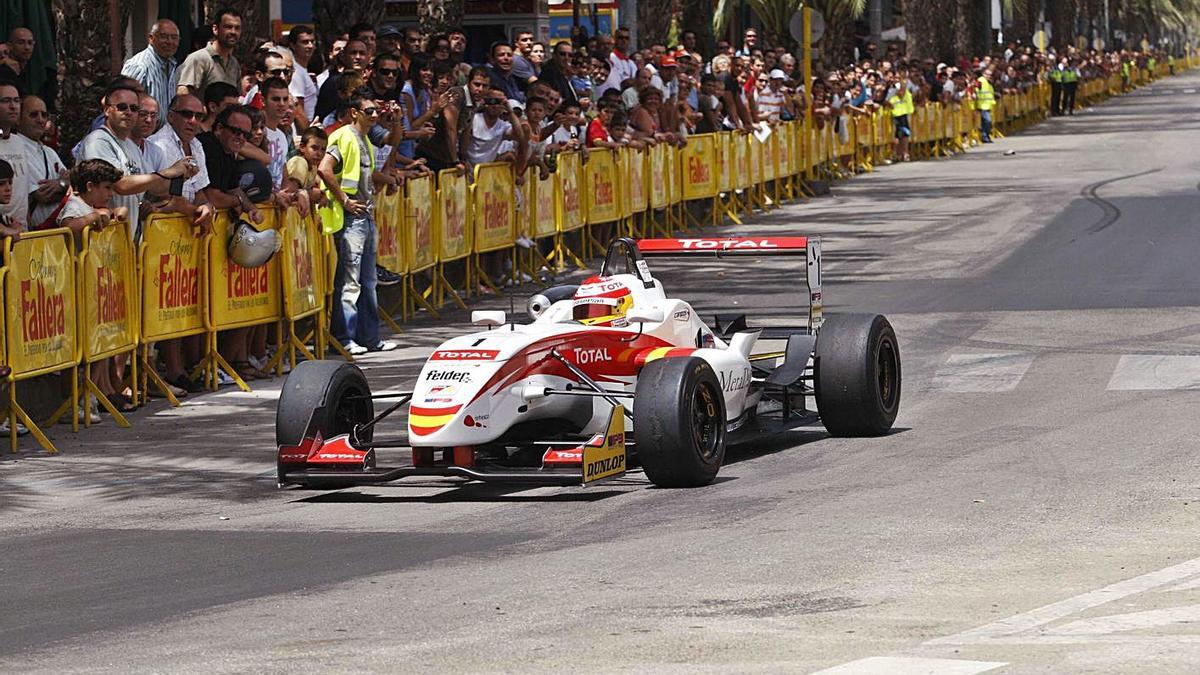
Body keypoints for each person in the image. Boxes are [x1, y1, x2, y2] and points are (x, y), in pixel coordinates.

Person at [317, 92, 399, 355]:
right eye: (370, 111)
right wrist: (344, 200)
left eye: (377, 111)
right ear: (354, 112)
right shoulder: (343, 136)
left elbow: (371, 168)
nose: (375, 115)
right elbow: (324, 168)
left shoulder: (364, 138)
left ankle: (369, 338)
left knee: (368, 280)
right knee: (350, 280)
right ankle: (343, 338)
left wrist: (397, 121)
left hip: (365, 214)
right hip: (351, 216)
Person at [79, 81, 196, 238]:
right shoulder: (98, 142)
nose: (128, 112)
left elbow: (154, 187)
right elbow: (120, 184)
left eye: (134, 109)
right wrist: (169, 171)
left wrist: (181, 175)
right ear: (107, 110)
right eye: (122, 107)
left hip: (124, 241)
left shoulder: (130, 145)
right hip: (98, 239)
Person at [16, 95, 68, 229]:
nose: (40, 120)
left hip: (58, 231)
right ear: (18, 119)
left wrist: (61, 184)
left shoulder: (49, 152)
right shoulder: (16, 149)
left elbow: (73, 183)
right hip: (37, 233)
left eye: (44, 115)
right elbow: (42, 195)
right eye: (33, 115)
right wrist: (65, 185)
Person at [121, 19, 181, 125]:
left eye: (174, 38)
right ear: (151, 38)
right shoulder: (139, 66)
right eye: (164, 36)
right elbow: (124, 105)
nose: (170, 42)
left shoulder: (171, 64)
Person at [175, 7, 242, 97]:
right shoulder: (199, 59)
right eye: (228, 27)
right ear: (215, 29)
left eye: (237, 28)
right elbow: (183, 95)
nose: (233, 32)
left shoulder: (234, 63)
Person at [0, 81, 29, 230]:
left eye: (16, 100)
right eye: (6, 101)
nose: (13, 106)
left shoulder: (19, 142)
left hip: (22, 231)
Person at [286, 25, 318, 127]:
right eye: (305, 42)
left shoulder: (303, 70)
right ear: (293, 45)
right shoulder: (296, 72)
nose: (310, 46)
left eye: (312, 41)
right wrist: (307, 131)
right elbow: (298, 109)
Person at [539, 41, 580, 108]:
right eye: (562, 54)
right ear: (554, 55)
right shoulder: (548, 74)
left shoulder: (565, 75)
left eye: (570, 55)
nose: (566, 58)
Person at [975, 67, 997, 142]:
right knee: (987, 121)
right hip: (982, 105)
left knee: (985, 122)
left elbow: (990, 93)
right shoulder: (981, 81)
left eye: (990, 75)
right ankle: (985, 136)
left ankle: (986, 136)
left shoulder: (989, 82)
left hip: (988, 105)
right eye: (987, 74)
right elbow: (976, 89)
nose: (989, 76)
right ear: (983, 74)